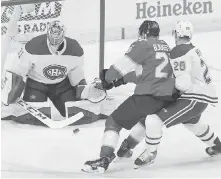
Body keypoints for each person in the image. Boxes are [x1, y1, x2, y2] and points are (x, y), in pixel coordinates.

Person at [115, 21, 220, 169]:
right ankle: (217, 146)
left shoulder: (179, 51)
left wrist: (169, 90)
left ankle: (150, 153)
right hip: (198, 96)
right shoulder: (192, 49)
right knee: (192, 122)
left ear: (176, 34)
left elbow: (182, 83)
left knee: (153, 119)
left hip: (194, 98)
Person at [82, 20, 179, 173]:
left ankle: (105, 158)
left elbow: (119, 68)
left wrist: (107, 78)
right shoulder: (166, 46)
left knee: (113, 122)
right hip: (167, 97)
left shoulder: (142, 44)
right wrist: (120, 81)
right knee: (145, 120)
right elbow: (143, 73)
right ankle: (126, 148)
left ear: (143, 33)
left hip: (147, 96)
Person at [1, 20, 106, 124]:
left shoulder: (75, 49)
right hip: (36, 84)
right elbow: (19, 70)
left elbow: (76, 76)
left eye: (58, 37)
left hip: (61, 85)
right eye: (52, 37)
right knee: (32, 118)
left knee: (74, 112)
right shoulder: (33, 46)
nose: (55, 42)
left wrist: (85, 90)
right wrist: (11, 89)